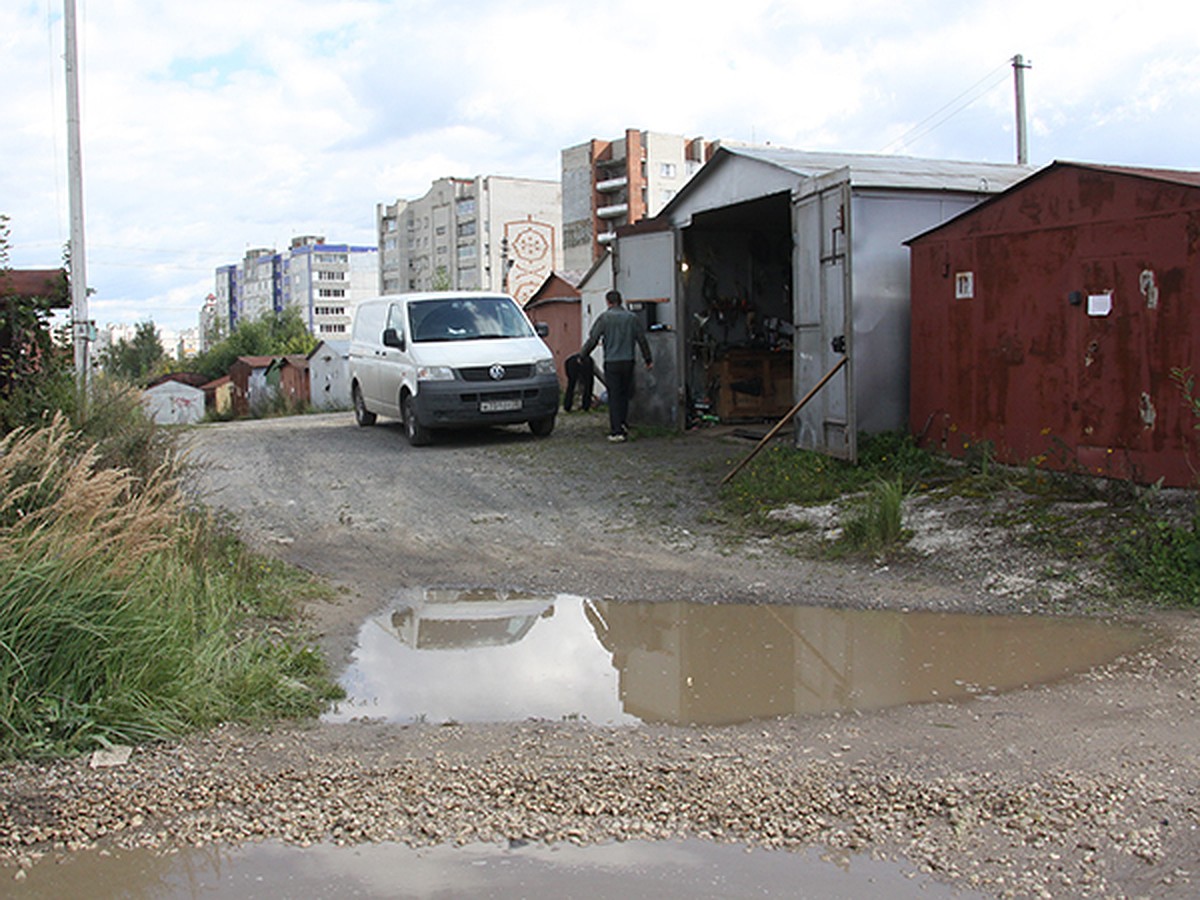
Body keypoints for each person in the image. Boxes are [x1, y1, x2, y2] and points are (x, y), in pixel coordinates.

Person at [580, 290, 653, 442]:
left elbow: (593, 339)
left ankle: (616, 430)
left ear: (608, 302)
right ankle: (624, 423)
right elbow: (642, 339)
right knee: (625, 394)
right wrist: (648, 359)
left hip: (612, 361)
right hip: (628, 360)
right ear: (621, 301)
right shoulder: (632, 318)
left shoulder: (604, 318)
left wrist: (583, 355)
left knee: (614, 395)